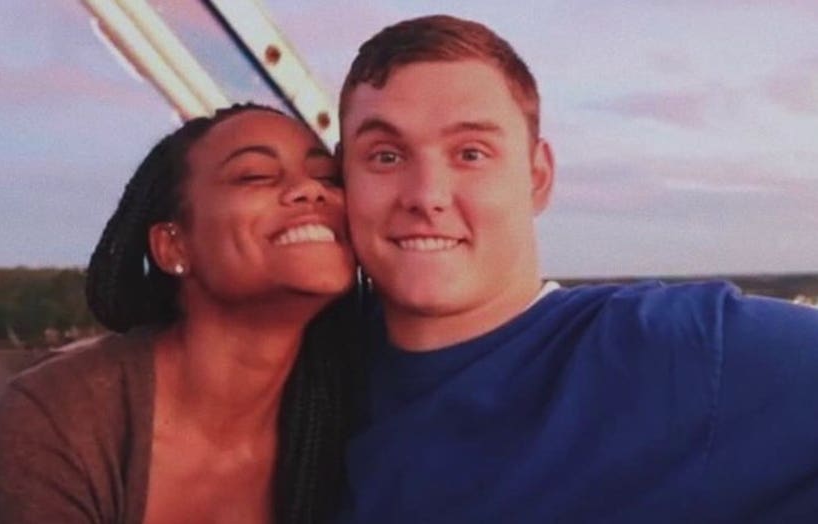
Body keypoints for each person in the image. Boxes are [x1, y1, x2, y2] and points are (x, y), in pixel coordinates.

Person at [336, 15, 818, 523]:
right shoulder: (316, 378)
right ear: (342, 176)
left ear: (538, 176)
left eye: (471, 154)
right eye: (386, 157)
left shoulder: (670, 352)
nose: (426, 195)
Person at [0, 103, 359, 524]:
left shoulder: (367, 407)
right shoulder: (58, 422)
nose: (311, 190)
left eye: (327, 177)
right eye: (255, 175)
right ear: (173, 247)